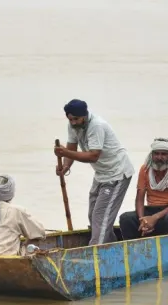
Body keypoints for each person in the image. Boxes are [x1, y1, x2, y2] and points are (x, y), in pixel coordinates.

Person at [54, 99, 135, 245]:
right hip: (101, 174)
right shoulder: (73, 126)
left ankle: (96, 251)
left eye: (76, 119)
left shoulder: (96, 126)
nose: (73, 122)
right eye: (70, 119)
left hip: (116, 173)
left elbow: (93, 155)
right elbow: (71, 148)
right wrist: (65, 167)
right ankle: (111, 246)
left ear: (84, 116)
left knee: (100, 216)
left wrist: (64, 152)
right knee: (93, 216)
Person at [119, 138, 168, 240]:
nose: (159, 157)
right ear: (152, 155)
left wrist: (154, 218)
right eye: (156, 154)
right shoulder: (145, 169)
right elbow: (139, 198)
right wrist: (143, 220)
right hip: (151, 210)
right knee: (126, 218)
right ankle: (135, 251)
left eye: (163, 154)